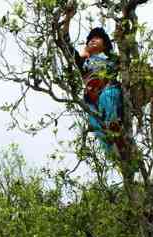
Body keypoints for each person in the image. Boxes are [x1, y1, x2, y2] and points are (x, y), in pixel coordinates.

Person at [56, 10, 129, 160]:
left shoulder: (113, 59)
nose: (92, 40)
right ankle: (116, 153)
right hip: (92, 100)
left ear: (105, 44)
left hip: (110, 91)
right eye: (90, 39)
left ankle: (116, 130)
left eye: (97, 38)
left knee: (106, 97)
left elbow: (128, 52)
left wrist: (122, 28)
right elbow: (65, 43)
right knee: (96, 124)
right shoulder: (84, 62)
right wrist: (67, 18)